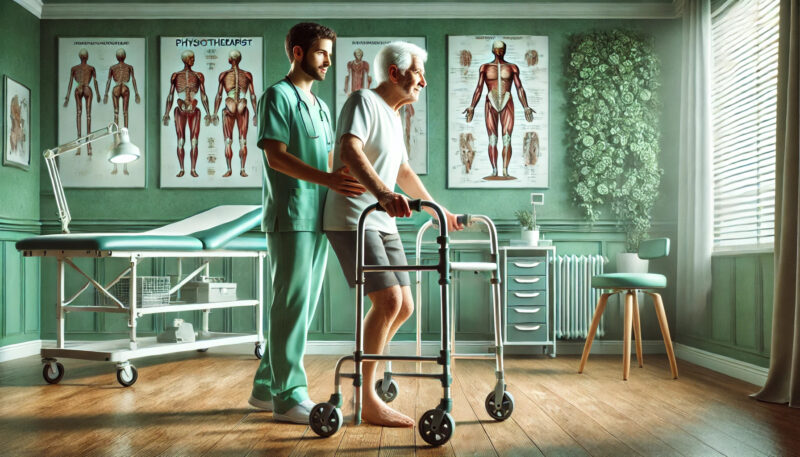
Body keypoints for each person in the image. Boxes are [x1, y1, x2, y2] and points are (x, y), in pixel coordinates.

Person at [324, 41, 463, 428]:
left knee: (404, 306)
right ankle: (366, 399)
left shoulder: (394, 116)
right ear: (395, 73)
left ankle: (372, 375)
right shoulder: (362, 101)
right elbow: (349, 150)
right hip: (355, 217)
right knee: (387, 302)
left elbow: (402, 170)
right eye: (418, 71)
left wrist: (438, 209)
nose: (423, 80)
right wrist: (382, 194)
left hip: (382, 220)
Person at [248, 22, 365, 424]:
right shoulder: (276, 97)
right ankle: (288, 395)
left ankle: (265, 387)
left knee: (300, 306)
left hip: (318, 217)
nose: (329, 61)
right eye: (321, 53)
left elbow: (331, 161)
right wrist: (330, 179)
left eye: (330, 53)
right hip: (291, 215)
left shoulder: (320, 105)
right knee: (291, 306)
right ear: (297, 53)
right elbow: (275, 157)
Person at [463, 40, 535, 178]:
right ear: (493, 50)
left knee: (507, 138)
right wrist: (472, 106)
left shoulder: (512, 67)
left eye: (502, 49)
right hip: (491, 102)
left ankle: (505, 171)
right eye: (497, 49)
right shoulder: (484, 67)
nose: (500, 52)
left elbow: (519, 88)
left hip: (507, 101)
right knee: (492, 139)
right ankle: (495, 170)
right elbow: (479, 88)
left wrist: (526, 107)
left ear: (505, 50)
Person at [162, 50, 214, 178]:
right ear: (185, 60)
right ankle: (181, 169)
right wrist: (166, 113)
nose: (193, 60)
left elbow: (203, 95)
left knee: (194, 141)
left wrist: (208, 112)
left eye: (194, 58)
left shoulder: (198, 75)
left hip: (194, 110)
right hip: (179, 110)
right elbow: (170, 95)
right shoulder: (175, 76)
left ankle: (192, 169)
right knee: (180, 141)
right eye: (191, 58)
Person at [212, 49, 258, 178]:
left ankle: (229, 169)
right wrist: (256, 113)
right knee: (243, 141)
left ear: (229, 60)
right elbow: (253, 96)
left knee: (228, 141)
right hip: (243, 106)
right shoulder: (247, 75)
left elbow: (219, 96)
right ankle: (242, 169)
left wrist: (214, 113)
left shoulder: (224, 75)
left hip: (229, 106)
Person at [64, 49, 100, 156]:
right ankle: (89, 147)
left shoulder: (74, 69)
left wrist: (67, 97)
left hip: (78, 89)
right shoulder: (91, 68)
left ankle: (79, 146)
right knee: (88, 115)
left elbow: (71, 82)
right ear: (87, 57)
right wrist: (98, 94)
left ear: (80, 57)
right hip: (88, 89)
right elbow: (95, 82)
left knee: (78, 114)